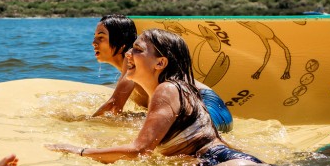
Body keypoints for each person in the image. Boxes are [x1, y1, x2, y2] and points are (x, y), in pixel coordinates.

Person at [48, 28, 264, 166]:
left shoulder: (167, 90)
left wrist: (81, 151)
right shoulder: (178, 89)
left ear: (160, 63)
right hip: (230, 163)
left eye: (138, 50)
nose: (128, 54)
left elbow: (140, 151)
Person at [91, 14, 234, 133]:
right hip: (217, 113)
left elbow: (114, 107)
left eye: (101, 37)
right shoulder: (139, 65)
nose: (94, 42)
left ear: (121, 43)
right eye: (95, 36)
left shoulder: (135, 61)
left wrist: (82, 124)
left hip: (205, 106)